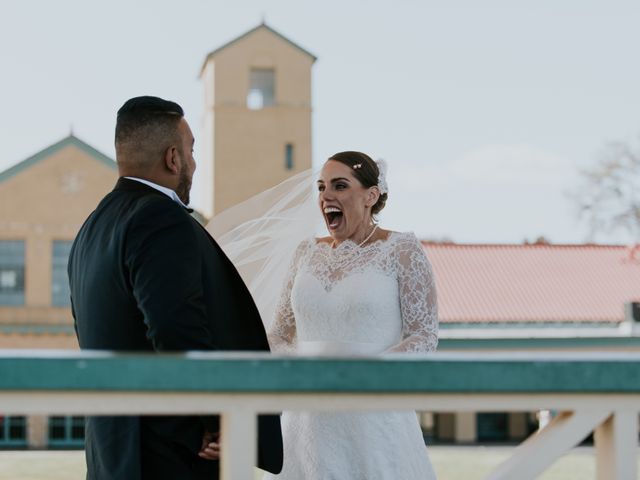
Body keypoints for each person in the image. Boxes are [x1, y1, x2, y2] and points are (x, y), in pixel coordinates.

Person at [67, 96, 282, 480]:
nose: (194, 162)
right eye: (191, 150)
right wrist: (219, 418)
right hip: (168, 451)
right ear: (173, 158)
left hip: (110, 449)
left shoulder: (91, 228)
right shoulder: (160, 218)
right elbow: (175, 328)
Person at [264, 151, 439, 479]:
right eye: (321, 187)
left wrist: (366, 374)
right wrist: (302, 371)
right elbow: (278, 333)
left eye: (340, 186)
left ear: (371, 196)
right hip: (307, 417)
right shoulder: (305, 252)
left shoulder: (402, 250)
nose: (326, 195)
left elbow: (424, 335)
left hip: (373, 414)